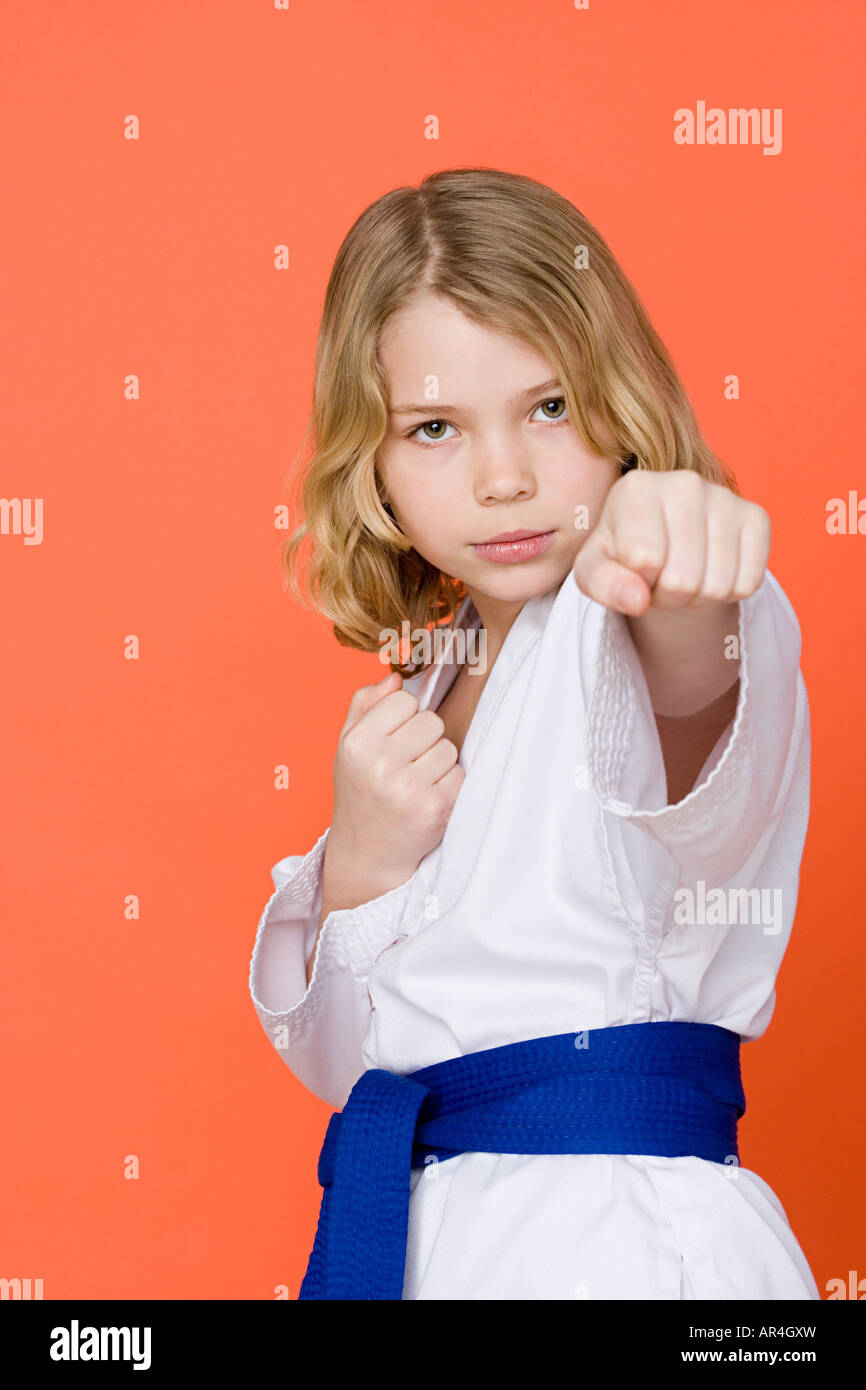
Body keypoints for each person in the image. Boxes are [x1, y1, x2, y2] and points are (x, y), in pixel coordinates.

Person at [248, 167, 819, 1300]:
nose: (504, 477)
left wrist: (682, 565)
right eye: (433, 428)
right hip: (430, 1237)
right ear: (370, 456)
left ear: (621, 395)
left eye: (549, 406)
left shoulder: (632, 606)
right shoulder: (435, 673)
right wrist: (359, 862)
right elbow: (347, 1067)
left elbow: (695, 696)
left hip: (622, 1243)